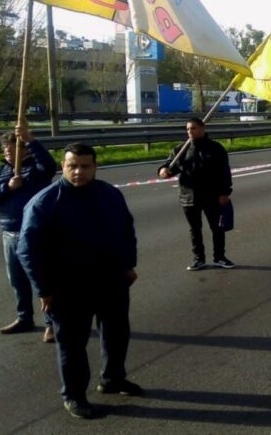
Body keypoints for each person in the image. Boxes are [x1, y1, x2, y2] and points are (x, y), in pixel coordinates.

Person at [18, 143, 141, 419]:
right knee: (72, 344)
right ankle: (73, 395)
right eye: (72, 166)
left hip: (111, 280)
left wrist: (128, 265)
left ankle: (112, 379)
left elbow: (126, 230)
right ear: (63, 166)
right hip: (67, 287)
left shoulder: (109, 194)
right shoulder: (46, 202)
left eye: (85, 166)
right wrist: (44, 289)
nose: (78, 172)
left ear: (95, 167)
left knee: (117, 333)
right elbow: (27, 250)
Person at [0, 127, 57, 341]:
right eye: (4, 148)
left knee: (41, 280)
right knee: (18, 281)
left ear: (24, 150)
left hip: (35, 234)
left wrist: (30, 140)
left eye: (11, 147)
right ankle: (24, 318)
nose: (6, 151)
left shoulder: (37, 169)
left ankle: (52, 323)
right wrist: (7, 187)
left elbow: (50, 166)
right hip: (10, 235)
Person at [158, 118, 234, 271]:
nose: (190, 132)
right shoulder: (180, 149)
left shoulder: (216, 148)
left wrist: (225, 193)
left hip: (212, 196)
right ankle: (198, 258)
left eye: (193, 128)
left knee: (217, 228)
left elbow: (224, 172)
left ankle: (220, 257)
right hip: (188, 197)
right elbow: (169, 166)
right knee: (194, 229)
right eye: (188, 129)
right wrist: (163, 171)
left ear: (202, 128)